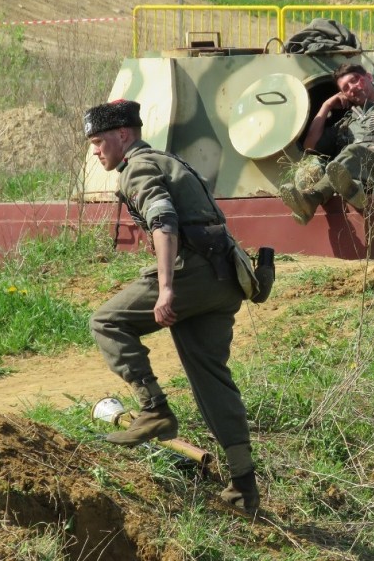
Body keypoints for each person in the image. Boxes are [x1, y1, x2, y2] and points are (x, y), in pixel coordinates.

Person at [84, 99, 259, 513]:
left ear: (123, 135)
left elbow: (163, 220)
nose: (95, 150)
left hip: (192, 275)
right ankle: (243, 488)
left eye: (98, 141)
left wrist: (165, 288)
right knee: (212, 381)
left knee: (107, 321)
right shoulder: (167, 160)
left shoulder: (138, 168)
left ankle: (154, 409)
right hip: (224, 279)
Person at [279, 63, 374, 225]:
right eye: (345, 88)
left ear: (369, 77)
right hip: (363, 179)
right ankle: (350, 191)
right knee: (311, 165)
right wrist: (326, 106)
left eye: (355, 80)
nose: (352, 88)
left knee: (355, 151)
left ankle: (313, 199)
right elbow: (310, 146)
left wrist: (372, 150)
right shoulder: (346, 121)